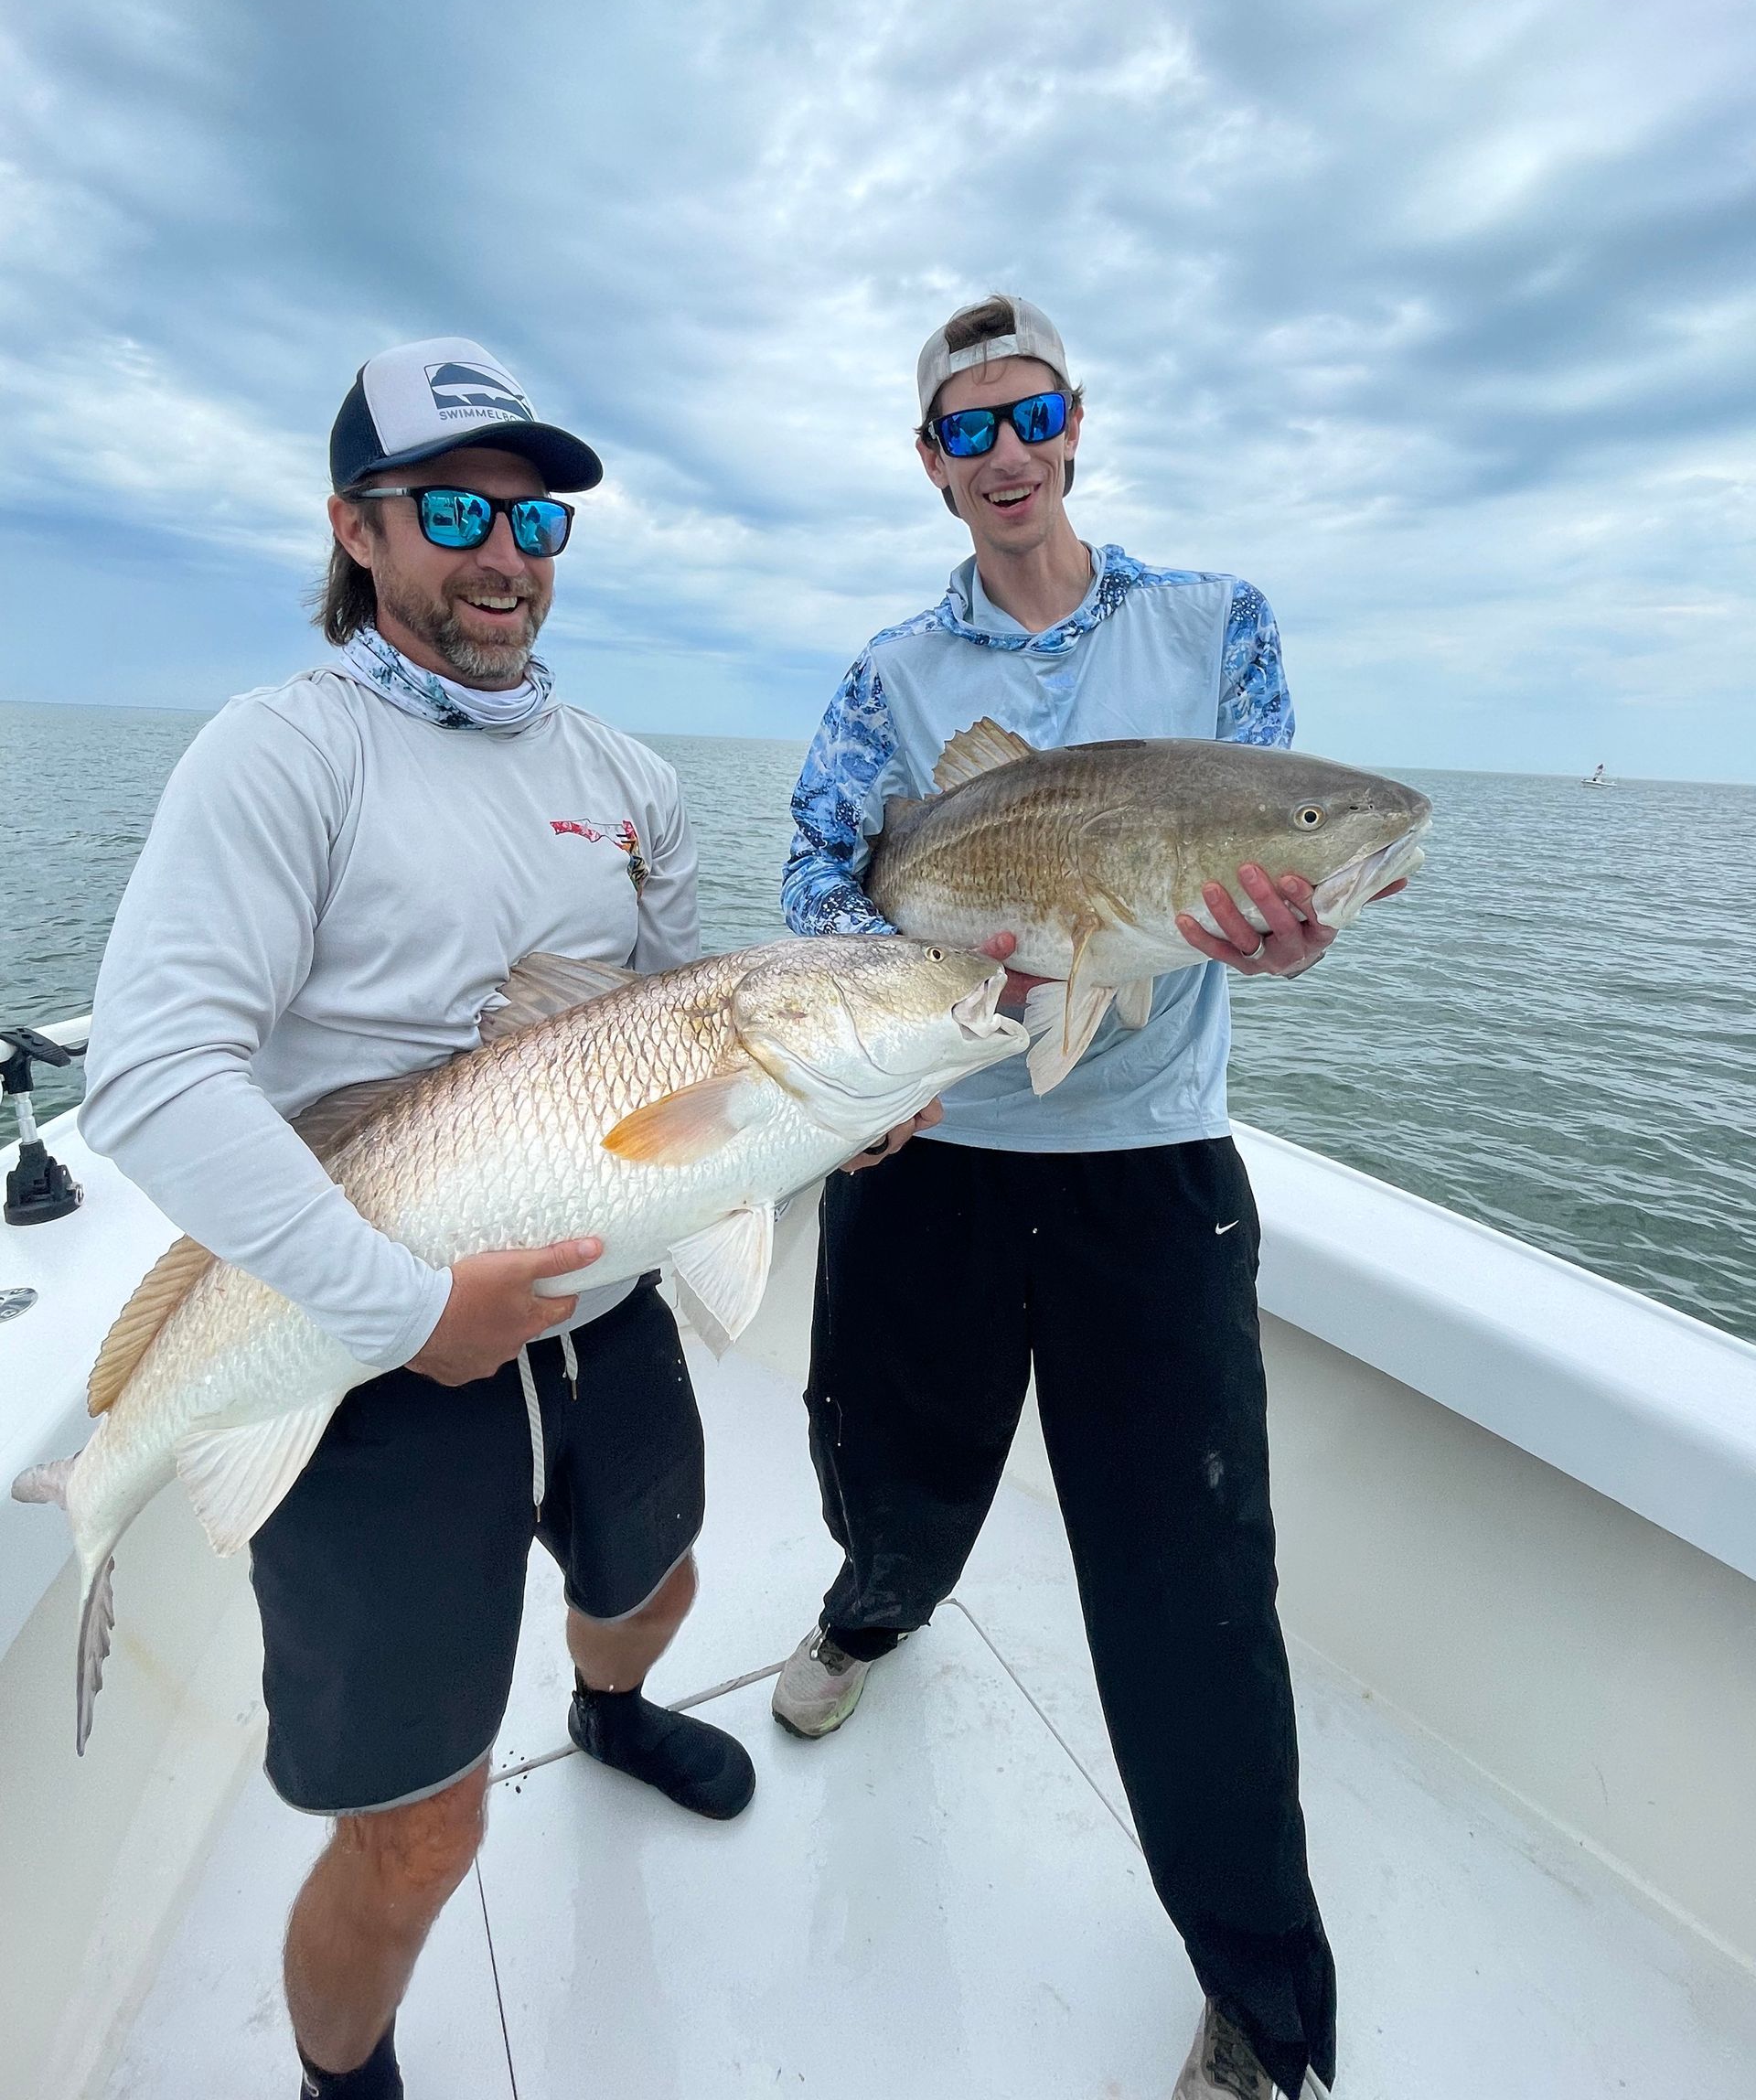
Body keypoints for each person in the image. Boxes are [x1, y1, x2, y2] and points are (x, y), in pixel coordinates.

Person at [80, 338, 755, 2100]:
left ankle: (607, 1713)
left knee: (660, 1572)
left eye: (538, 518)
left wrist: (859, 1096)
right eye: (455, 507)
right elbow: (148, 1076)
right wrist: (400, 1311)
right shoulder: (279, 755)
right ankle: (343, 2077)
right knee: (417, 1834)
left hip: (601, 1300)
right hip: (360, 1337)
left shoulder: (631, 777)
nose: (505, 551)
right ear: (355, 531)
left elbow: (692, 1024)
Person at [774, 295, 1397, 2100]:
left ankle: (1266, 1999)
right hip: (938, 1150)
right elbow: (827, 864)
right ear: (932, 461)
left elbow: (1276, 880)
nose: (1008, 454)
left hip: (1152, 1170)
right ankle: (866, 1613)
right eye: (969, 429)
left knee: (1193, 1583)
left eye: (1031, 414)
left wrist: (1286, 938)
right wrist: (873, 1032)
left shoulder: (1215, 625)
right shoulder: (890, 674)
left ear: (1075, 422)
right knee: (878, 1459)